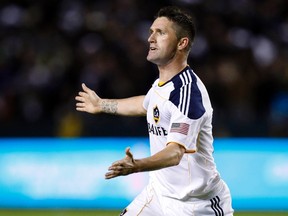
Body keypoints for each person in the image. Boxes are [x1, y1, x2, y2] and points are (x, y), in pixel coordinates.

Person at [75, 6, 234, 216]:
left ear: (182, 43)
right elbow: (145, 104)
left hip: (196, 205)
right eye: (151, 32)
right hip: (158, 195)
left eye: (161, 33)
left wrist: (137, 166)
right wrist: (101, 104)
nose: (151, 38)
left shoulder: (187, 93)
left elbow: (175, 153)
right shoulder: (162, 84)